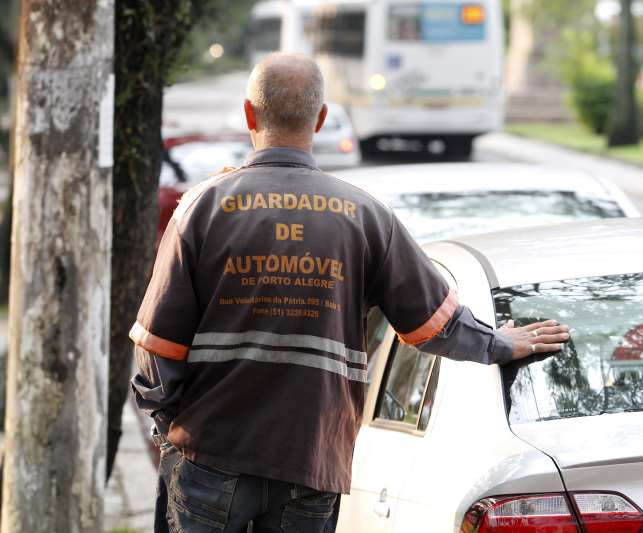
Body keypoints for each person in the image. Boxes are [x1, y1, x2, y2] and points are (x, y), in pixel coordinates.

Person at [130, 52, 570, 533]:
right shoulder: (365, 215)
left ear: (249, 114)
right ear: (319, 119)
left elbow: (157, 344)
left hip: (210, 454)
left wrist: (170, 430)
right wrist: (501, 344)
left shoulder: (204, 207)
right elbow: (432, 325)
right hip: (313, 462)